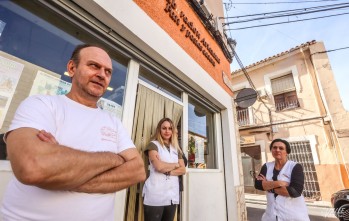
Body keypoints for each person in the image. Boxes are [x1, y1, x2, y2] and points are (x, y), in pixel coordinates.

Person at [0, 44, 146, 220]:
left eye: (108, 71)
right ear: (72, 68)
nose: (102, 74)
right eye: (94, 66)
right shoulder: (42, 104)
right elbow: (32, 166)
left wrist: (60, 169)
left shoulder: (113, 122)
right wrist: (113, 159)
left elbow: (137, 171)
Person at [142, 118, 186, 221]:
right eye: (164, 128)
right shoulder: (153, 145)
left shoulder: (176, 148)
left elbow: (183, 170)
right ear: (159, 130)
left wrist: (167, 170)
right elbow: (159, 167)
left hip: (171, 196)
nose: (167, 131)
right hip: (155, 194)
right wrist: (176, 164)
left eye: (170, 128)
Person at [255, 138, 310, 221]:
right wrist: (280, 183)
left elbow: (295, 191)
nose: (277, 150)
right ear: (271, 150)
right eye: (274, 147)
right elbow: (258, 185)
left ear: (287, 152)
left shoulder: (295, 166)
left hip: (293, 216)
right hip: (271, 215)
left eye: (281, 148)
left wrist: (268, 185)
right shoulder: (266, 166)